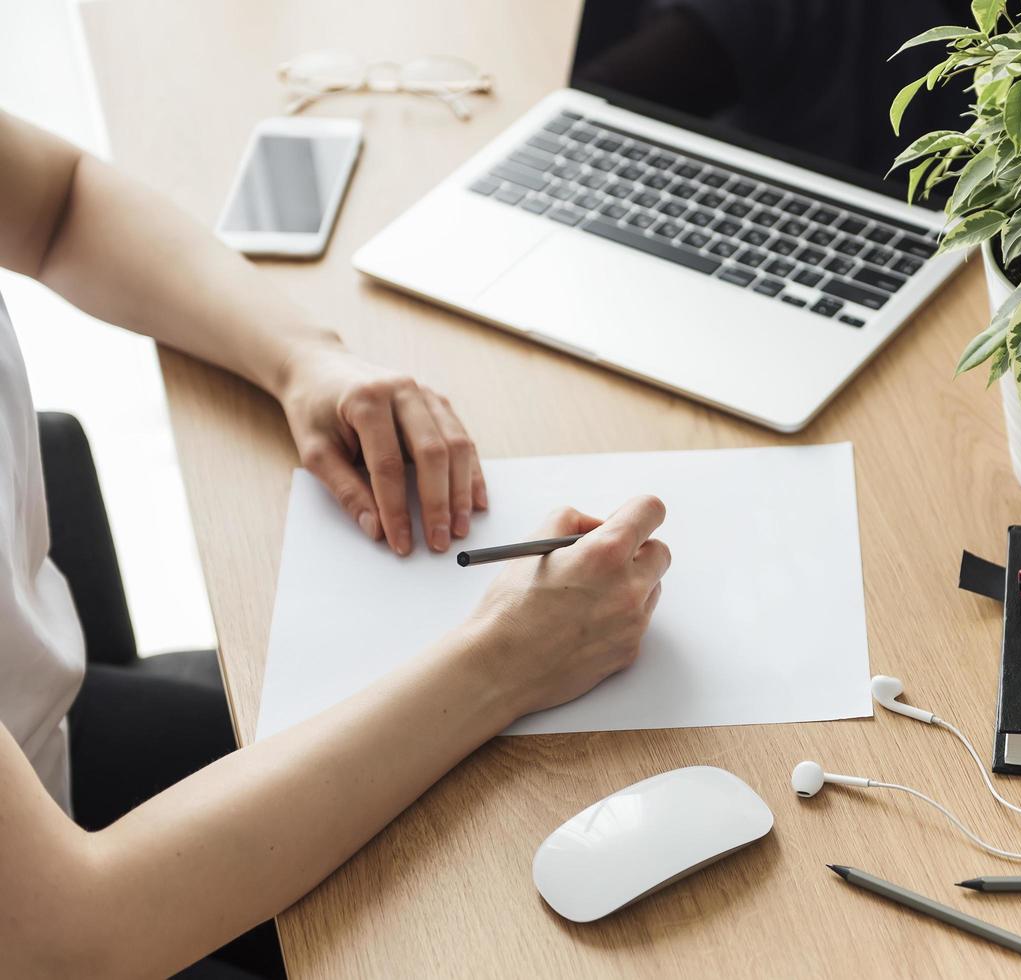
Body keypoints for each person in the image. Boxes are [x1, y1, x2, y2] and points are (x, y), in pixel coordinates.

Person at [0, 108, 670, 977]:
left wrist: (302, 359)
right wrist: (505, 660)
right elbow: (71, 940)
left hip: (43, 750)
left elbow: (56, 203)